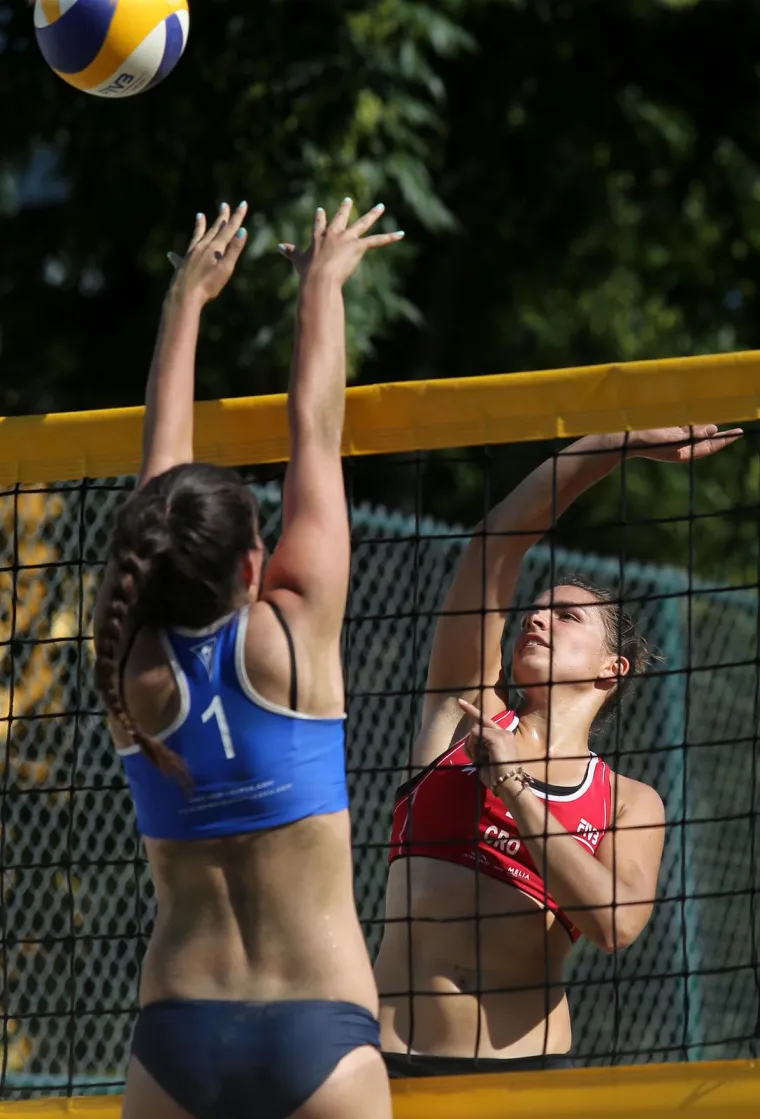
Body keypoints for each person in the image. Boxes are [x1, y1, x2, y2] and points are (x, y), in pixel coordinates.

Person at [93, 198, 403, 1119]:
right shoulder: (293, 631)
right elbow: (317, 428)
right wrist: (321, 285)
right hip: (319, 1032)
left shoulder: (126, 666)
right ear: (253, 565)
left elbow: (159, 488)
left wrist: (182, 305)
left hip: (176, 1039)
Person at [373, 425, 742, 1077]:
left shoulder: (628, 799)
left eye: (567, 616)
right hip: (386, 1065)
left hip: (520, 1075)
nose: (537, 618)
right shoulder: (464, 713)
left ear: (611, 668)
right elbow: (495, 544)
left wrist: (513, 785)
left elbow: (616, 923)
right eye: (533, 612)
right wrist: (608, 446)